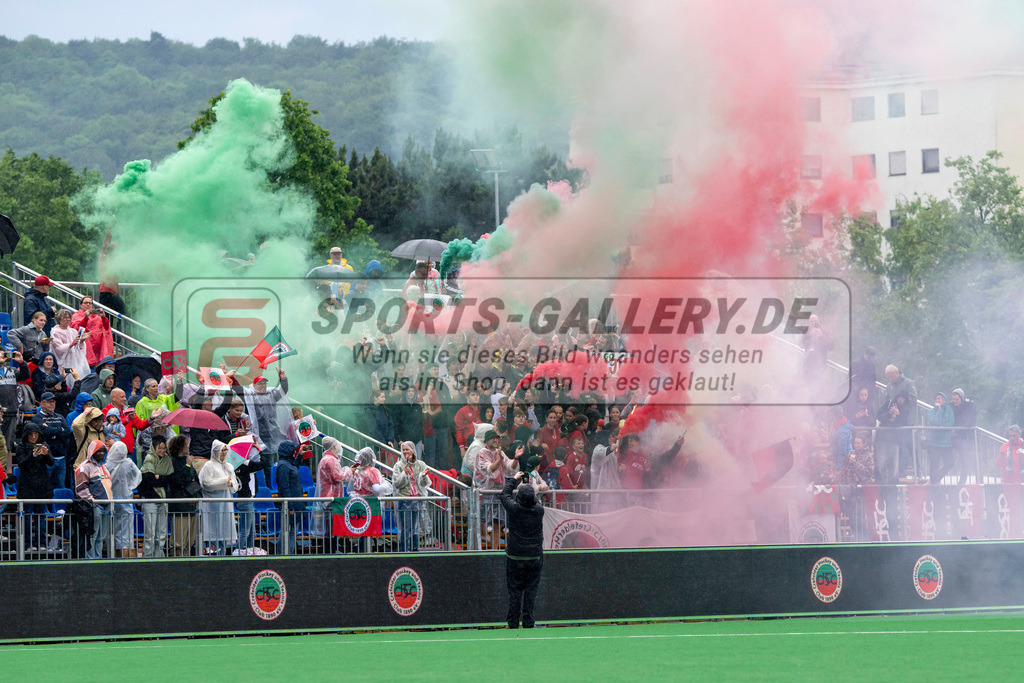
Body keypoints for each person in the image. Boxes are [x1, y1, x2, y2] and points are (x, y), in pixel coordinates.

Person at [500, 469, 545, 629]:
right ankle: (528, 622)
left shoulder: (514, 509)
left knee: (515, 591)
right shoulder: (539, 510)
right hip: (534, 557)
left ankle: (512, 623)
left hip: (515, 557)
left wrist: (514, 480)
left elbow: (504, 494)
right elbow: (533, 499)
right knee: (531, 591)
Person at [15, 423, 53, 552]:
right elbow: (21, 464)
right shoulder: (21, 447)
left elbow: (51, 462)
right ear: (26, 435)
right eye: (31, 434)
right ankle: (26, 544)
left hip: (41, 487)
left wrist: (46, 454)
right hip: (27, 487)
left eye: (36, 434)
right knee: (26, 517)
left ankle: (42, 543)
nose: (33, 437)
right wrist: (33, 455)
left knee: (40, 517)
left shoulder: (44, 445)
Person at [199, 440, 239, 556]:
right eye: (221, 450)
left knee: (224, 533)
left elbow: (235, 485)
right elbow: (206, 483)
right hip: (213, 506)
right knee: (213, 532)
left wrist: (231, 484)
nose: (224, 453)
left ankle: (222, 558)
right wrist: (223, 481)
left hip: (226, 505)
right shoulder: (208, 465)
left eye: (225, 450)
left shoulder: (228, 466)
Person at [74, 441, 112, 560]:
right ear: (92, 452)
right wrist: (92, 502)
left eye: (103, 451)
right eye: (98, 451)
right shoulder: (84, 467)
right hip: (94, 508)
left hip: (106, 506)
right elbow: (81, 488)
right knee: (92, 536)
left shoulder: (104, 467)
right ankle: (90, 560)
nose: (101, 453)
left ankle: (98, 559)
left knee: (101, 537)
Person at [392, 441, 432, 552]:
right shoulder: (399, 465)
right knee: (406, 527)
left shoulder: (421, 464)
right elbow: (397, 483)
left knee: (415, 527)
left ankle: (415, 548)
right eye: (403, 450)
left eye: (407, 449)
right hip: (404, 500)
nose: (405, 452)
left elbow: (425, 484)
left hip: (417, 499)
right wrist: (404, 474)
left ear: (413, 450)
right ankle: (404, 549)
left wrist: (423, 476)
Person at [106, 441, 141, 557]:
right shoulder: (129, 463)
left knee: (111, 529)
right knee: (126, 531)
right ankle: (125, 554)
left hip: (111, 500)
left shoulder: (107, 464)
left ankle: (112, 553)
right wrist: (130, 487)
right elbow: (138, 476)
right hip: (126, 499)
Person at [139, 434, 171, 558]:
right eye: (160, 448)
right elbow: (148, 480)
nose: (162, 451)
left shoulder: (167, 461)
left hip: (163, 500)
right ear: (154, 448)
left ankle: (159, 558)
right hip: (150, 500)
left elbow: (169, 478)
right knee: (150, 534)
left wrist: (159, 477)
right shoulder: (149, 459)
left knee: (161, 533)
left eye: (164, 448)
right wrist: (160, 478)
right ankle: (148, 559)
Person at [33, 391, 74, 490]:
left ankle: (58, 506)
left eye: (53, 402)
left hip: (61, 458)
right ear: (42, 403)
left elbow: (67, 431)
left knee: (60, 487)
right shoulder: (37, 418)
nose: (52, 404)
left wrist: (52, 431)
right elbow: (44, 432)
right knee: (44, 488)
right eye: (49, 401)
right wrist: (59, 430)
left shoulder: (59, 417)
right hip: (46, 459)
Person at [166, 435, 199, 557]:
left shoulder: (187, 461)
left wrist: (195, 496)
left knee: (189, 540)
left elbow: (195, 480)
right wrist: (188, 466)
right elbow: (180, 480)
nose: (188, 446)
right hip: (179, 506)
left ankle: (187, 560)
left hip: (191, 505)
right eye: (186, 444)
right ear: (180, 447)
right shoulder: (172, 462)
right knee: (179, 540)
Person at [314, 437, 347, 552]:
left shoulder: (325, 459)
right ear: (334, 446)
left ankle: (330, 550)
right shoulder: (331, 460)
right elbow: (336, 477)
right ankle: (331, 551)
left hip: (328, 497)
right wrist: (348, 472)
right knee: (332, 527)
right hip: (332, 498)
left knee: (331, 526)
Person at [275, 440, 307, 555]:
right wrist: (290, 506)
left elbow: (294, 467)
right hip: (290, 505)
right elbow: (284, 487)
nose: (294, 450)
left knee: (293, 532)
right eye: (293, 449)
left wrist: (300, 455)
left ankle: (290, 554)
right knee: (286, 532)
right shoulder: (283, 465)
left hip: (295, 503)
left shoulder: (288, 463)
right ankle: (281, 555)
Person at [70, 296, 114, 367]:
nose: (88, 305)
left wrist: (103, 317)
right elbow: (78, 329)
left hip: (97, 349)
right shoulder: (76, 316)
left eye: (90, 303)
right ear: (81, 305)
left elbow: (106, 328)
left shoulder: (97, 316)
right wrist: (85, 319)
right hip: (84, 348)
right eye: (86, 303)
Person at [50, 309, 91, 379]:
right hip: (63, 364)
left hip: (75, 362)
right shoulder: (55, 332)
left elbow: (78, 348)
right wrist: (71, 344)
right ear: (59, 319)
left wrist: (81, 341)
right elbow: (58, 349)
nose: (67, 319)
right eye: (65, 317)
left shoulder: (73, 331)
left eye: (69, 317)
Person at [950, 388, 978, 485]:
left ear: (961, 398)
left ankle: (962, 483)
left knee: (965, 461)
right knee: (947, 458)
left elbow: (967, 420)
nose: (954, 401)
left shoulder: (970, 405)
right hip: (954, 437)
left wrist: (956, 430)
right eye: (953, 399)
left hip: (965, 437)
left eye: (956, 399)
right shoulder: (951, 406)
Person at [926, 392, 955, 485]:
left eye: (940, 398)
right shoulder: (931, 411)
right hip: (934, 442)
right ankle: (934, 483)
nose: (938, 400)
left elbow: (950, 423)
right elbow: (934, 421)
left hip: (946, 442)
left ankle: (935, 478)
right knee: (934, 464)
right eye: (936, 398)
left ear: (944, 400)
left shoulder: (949, 409)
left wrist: (939, 427)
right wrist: (938, 410)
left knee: (950, 463)